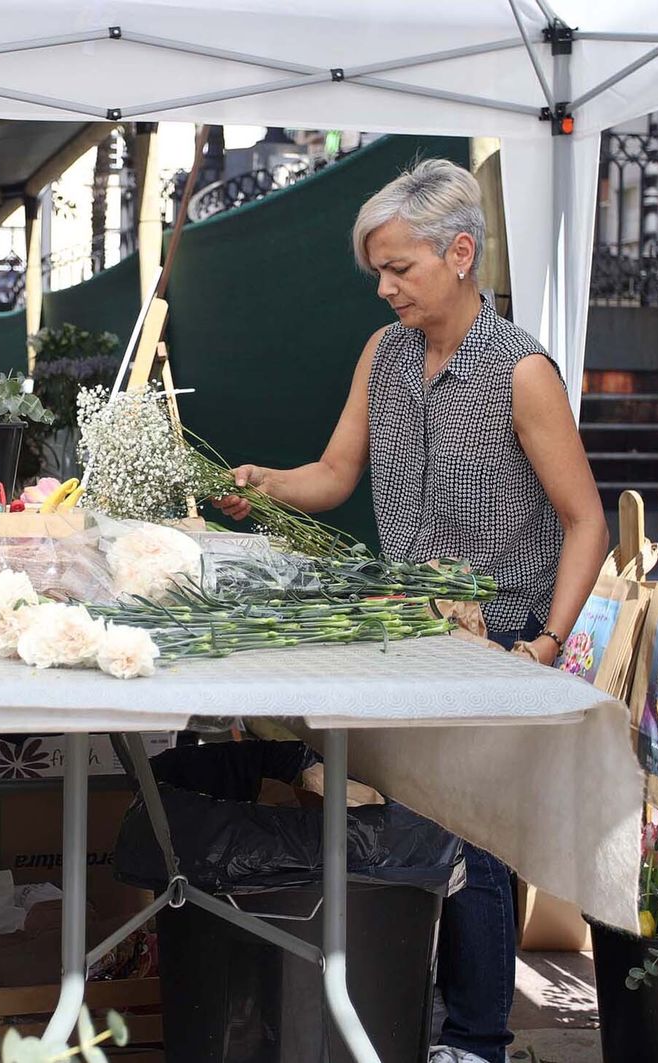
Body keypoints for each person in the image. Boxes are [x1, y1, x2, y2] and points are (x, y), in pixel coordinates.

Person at [218, 159, 608, 1063]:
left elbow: (588, 519)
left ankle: (474, 1039)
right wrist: (265, 485)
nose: (385, 287)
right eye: (379, 272)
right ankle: (436, 1021)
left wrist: (544, 645)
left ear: (460, 253)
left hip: (496, 642)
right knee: (422, 830)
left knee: (467, 837)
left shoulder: (522, 372)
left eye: (399, 268)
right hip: (410, 631)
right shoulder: (383, 356)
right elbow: (335, 473)